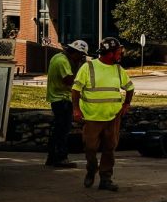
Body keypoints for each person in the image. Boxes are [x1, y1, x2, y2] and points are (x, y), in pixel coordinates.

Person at [71, 37, 135, 192]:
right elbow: (76, 89)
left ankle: (106, 179)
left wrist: (126, 104)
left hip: (113, 117)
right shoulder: (88, 67)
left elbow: (130, 87)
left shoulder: (118, 69)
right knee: (90, 148)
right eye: (118, 52)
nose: (120, 55)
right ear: (109, 53)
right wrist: (76, 109)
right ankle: (91, 169)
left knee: (109, 148)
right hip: (92, 117)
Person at [44, 40, 89, 168]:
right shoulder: (63, 61)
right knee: (63, 130)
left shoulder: (57, 57)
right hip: (62, 99)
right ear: (75, 52)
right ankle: (61, 158)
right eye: (81, 55)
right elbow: (70, 80)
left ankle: (52, 157)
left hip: (57, 99)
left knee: (58, 130)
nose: (81, 58)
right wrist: (79, 67)